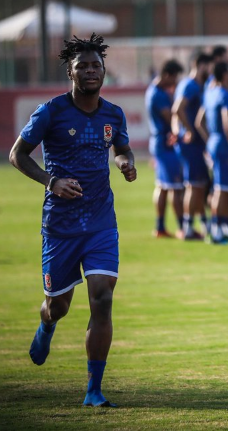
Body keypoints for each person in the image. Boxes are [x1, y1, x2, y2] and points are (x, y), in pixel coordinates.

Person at [9, 34, 137, 407]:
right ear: (71, 72)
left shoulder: (113, 114)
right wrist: (52, 180)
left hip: (100, 223)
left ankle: (93, 390)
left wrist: (124, 162)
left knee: (102, 298)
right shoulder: (51, 111)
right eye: (83, 66)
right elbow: (18, 155)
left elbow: (122, 147)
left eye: (96, 65)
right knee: (59, 305)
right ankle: (47, 323)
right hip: (61, 227)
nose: (91, 71)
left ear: (104, 70)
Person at [195, 62, 228, 244]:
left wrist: (210, 141)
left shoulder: (209, 93)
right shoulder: (226, 95)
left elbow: (199, 122)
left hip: (215, 143)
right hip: (224, 145)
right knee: (223, 189)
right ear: (225, 74)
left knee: (221, 188)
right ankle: (216, 231)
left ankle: (224, 228)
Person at [172, 52, 212, 240]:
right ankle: (187, 227)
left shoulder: (192, 85)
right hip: (191, 144)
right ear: (200, 65)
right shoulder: (190, 85)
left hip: (194, 143)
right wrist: (188, 130)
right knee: (194, 185)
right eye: (208, 66)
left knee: (200, 184)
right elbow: (178, 109)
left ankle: (202, 223)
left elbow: (176, 113)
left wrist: (177, 129)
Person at [146, 59, 184, 238]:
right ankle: (183, 227)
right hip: (165, 144)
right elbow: (170, 118)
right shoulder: (159, 95)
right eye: (175, 78)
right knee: (175, 186)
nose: (175, 82)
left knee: (162, 186)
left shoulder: (153, 90)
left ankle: (160, 226)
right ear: (168, 75)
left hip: (158, 143)